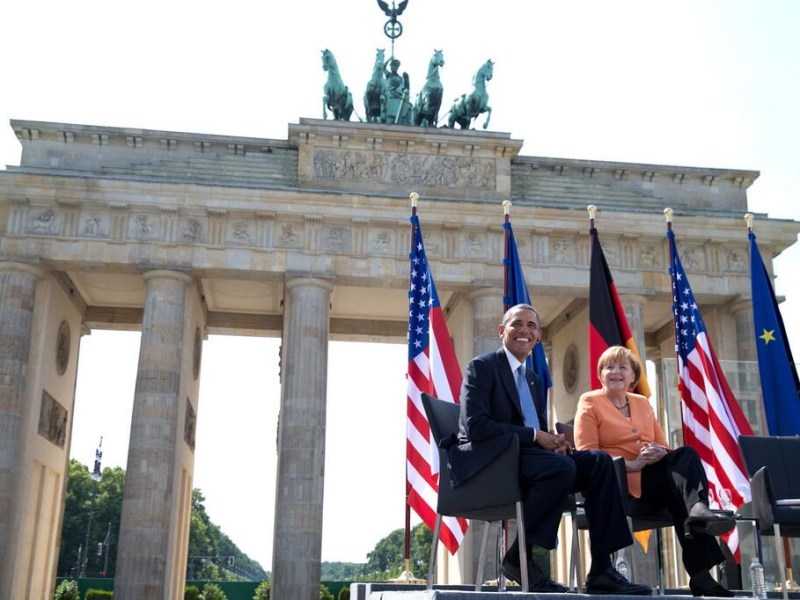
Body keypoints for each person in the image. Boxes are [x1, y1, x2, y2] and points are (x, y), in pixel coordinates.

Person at [455, 303, 651, 594]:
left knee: (601, 462)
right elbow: (476, 426)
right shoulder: (482, 367)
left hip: (533, 461)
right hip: (493, 461)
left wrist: (556, 443)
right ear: (501, 331)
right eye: (517, 324)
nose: (524, 330)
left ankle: (602, 570)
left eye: (531, 326)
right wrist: (536, 436)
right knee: (560, 467)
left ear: (538, 337)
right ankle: (519, 558)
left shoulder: (533, 380)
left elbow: (539, 432)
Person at [574, 345, 736, 597]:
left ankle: (698, 514)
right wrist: (632, 464)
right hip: (618, 482)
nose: (615, 371)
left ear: (633, 376)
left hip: (652, 477)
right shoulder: (590, 401)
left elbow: (663, 445)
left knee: (686, 455)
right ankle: (701, 570)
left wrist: (658, 452)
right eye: (609, 367)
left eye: (622, 367)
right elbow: (588, 454)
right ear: (600, 375)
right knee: (680, 495)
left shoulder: (642, 403)